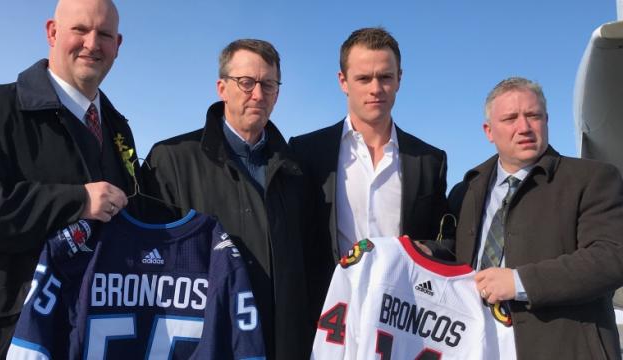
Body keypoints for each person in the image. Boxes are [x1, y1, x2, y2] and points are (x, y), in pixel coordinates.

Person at [0, 0, 137, 357]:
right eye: (80, 30)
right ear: (52, 32)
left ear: (118, 45)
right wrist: (78, 202)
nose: (92, 44)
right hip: (13, 335)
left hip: (102, 332)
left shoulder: (119, 130)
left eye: (104, 34)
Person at [142, 39, 311, 359]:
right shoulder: (171, 161)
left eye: (269, 84)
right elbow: (148, 266)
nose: (258, 94)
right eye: (246, 82)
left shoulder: (296, 171)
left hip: (280, 344)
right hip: (207, 344)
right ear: (222, 87)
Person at [448, 77, 623, 359]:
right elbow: (453, 254)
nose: (524, 128)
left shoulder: (592, 179)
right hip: (480, 346)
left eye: (533, 116)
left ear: (547, 120)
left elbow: (611, 258)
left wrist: (520, 282)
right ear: (488, 131)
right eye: (510, 118)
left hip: (564, 349)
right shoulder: (467, 189)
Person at [289, 27, 448, 321]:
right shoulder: (305, 152)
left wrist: (422, 249)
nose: (376, 88)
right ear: (343, 81)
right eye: (363, 78)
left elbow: (446, 239)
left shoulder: (429, 160)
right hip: (327, 316)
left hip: (402, 318)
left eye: (385, 77)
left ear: (399, 79)